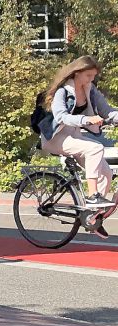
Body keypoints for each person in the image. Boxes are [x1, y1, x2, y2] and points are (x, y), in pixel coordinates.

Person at [38, 55, 118, 238]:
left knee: (105, 172)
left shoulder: (90, 89)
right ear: (77, 72)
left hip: (73, 135)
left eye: (93, 76)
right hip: (55, 137)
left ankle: (94, 217)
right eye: (88, 75)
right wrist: (86, 119)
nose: (91, 79)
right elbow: (61, 117)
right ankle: (92, 197)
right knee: (95, 148)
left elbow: (107, 111)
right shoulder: (63, 91)